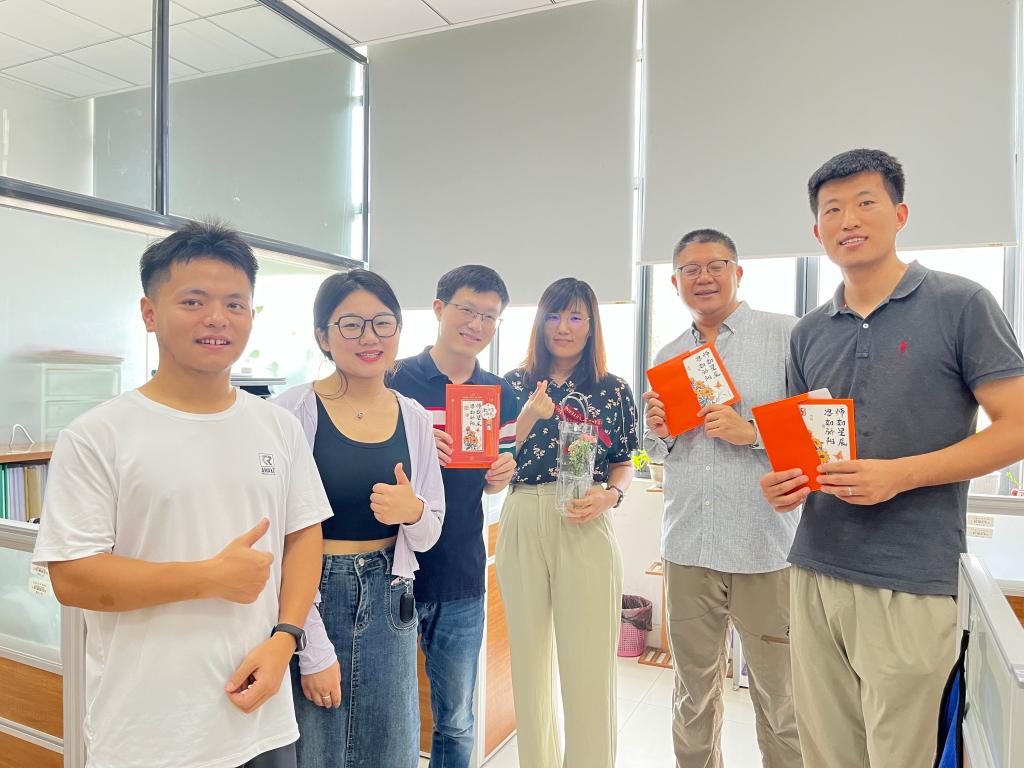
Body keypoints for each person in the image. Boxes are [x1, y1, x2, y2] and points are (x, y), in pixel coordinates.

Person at [760, 148, 1024, 768]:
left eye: (865, 202)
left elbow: (1016, 427)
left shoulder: (961, 304)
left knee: (901, 755)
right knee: (824, 753)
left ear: (900, 214)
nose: (848, 219)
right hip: (814, 570)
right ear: (816, 231)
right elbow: (803, 449)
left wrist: (901, 475)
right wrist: (783, 484)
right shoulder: (807, 332)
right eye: (832, 209)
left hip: (912, 580)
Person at [32, 221, 331, 768]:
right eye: (194, 301)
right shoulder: (98, 435)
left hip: (261, 718)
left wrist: (286, 637)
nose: (217, 318)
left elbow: (304, 534)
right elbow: (72, 577)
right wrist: (207, 578)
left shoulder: (277, 427)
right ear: (149, 313)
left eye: (235, 304)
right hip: (150, 733)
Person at [643, 229, 802, 768]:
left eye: (716, 265)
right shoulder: (669, 355)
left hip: (765, 547)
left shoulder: (786, 336)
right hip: (688, 546)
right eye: (690, 269)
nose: (704, 277)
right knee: (691, 694)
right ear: (675, 282)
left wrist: (751, 432)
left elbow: (819, 430)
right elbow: (655, 453)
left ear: (738, 272)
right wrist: (659, 431)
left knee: (781, 698)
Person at [273, 269, 445, 768]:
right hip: (314, 595)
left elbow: (430, 532)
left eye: (382, 323)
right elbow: (277, 543)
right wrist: (310, 647)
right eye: (351, 324)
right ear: (323, 336)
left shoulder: (414, 418)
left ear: (398, 331)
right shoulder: (290, 413)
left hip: (392, 597)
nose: (369, 337)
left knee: (390, 750)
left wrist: (413, 512)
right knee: (316, 750)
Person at [499, 277, 638, 768]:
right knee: (528, 661)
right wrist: (526, 419)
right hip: (523, 512)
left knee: (589, 662)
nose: (563, 327)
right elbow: (493, 459)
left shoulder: (613, 390)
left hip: (585, 517)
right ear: (540, 322)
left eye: (576, 316)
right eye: (554, 315)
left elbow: (628, 459)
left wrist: (611, 495)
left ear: (591, 324)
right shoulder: (512, 384)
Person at [387, 265, 519, 767]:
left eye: (490, 316)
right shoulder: (395, 378)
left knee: (457, 718)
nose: (476, 324)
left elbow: (491, 480)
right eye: (467, 309)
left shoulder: (499, 392)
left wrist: (501, 473)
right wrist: (417, 444)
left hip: (462, 571)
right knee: (391, 712)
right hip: (393, 568)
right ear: (440, 308)